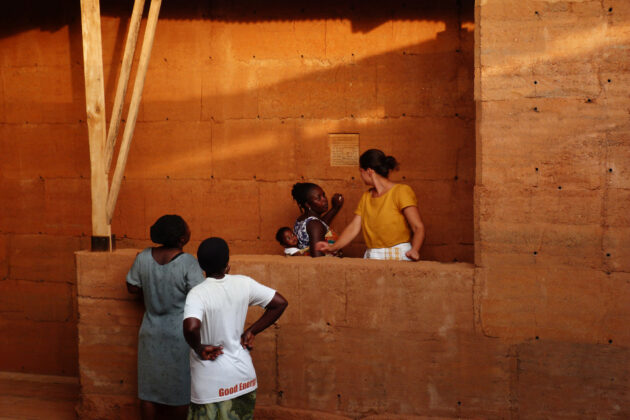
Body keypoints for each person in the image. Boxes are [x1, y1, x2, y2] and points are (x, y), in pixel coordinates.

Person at [183, 237, 288, 420]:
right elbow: (280, 303)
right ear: (227, 263)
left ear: (201, 267)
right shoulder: (244, 283)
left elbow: (191, 327)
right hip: (243, 380)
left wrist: (199, 348)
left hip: (210, 385)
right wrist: (251, 331)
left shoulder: (198, 293)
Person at [126, 214, 205, 420]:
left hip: (150, 331)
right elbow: (200, 294)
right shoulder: (188, 262)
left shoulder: (143, 257)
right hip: (179, 334)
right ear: (181, 239)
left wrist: (153, 286)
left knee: (148, 391)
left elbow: (132, 287)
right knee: (180, 391)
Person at [316, 149, 425, 261]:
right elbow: (353, 228)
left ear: (369, 171)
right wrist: (333, 247)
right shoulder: (366, 197)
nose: (360, 176)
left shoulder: (401, 191)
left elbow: (418, 227)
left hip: (399, 254)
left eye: (360, 171)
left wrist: (415, 250)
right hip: (373, 255)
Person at [291, 182, 343, 257]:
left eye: (324, 195)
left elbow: (322, 224)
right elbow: (318, 258)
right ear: (308, 204)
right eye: (318, 198)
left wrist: (335, 208)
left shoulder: (302, 219)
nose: (324, 199)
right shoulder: (315, 225)